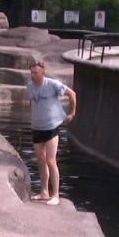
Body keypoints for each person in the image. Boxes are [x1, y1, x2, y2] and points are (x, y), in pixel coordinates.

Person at [27, 60, 76, 206]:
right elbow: (32, 102)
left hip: (51, 127)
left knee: (50, 160)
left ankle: (55, 195)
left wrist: (71, 113)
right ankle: (44, 191)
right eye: (31, 72)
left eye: (35, 72)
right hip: (37, 127)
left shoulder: (52, 84)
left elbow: (72, 94)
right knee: (41, 160)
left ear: (43, 72)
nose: (32, 75)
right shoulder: (29, 86)